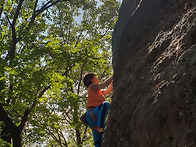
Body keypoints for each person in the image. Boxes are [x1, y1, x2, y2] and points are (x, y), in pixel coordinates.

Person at [83, 73, 113, 147]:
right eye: (95, 77)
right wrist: (114, 74)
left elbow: (107, 90)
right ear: (91, 79)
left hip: (92, 117)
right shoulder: (92, 86)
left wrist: (114, 81)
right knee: (106, 104)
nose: (97, 78)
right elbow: (105, 84)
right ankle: (100, 127)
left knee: (98, 142)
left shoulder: (97, 91)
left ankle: (99, 128)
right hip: (93, 113)